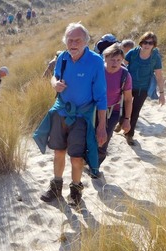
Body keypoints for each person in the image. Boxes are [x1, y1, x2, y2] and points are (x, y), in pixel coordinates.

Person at [33, 22, 107, 207]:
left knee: (76, 157)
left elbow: (101, 96)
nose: (73, 44)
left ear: (85, 42)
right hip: (61, 111)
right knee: (58, 151)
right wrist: (54, 84)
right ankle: (56, 188)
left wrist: (102, 126)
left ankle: (75, 191)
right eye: (69, 40)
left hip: (81, 116)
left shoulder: (96, 61)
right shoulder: (63, 57)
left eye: (77, 40)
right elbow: (54, 76)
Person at [120, 32, 165, 145]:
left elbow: (159, 75)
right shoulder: (133, 53)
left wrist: (162, 93)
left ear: (154, 45)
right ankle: (121, 123)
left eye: (150, 43)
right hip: (128, 87)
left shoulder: (155, 57)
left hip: (143, 88)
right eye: (145, 42)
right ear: (141, 42)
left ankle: (129, 135)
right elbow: (122, 67)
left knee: (135, 111)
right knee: (125, 109)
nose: (147, 45)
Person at [97, 43, 133, 167]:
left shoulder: (125, 75)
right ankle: (87, 160)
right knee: (90, 136)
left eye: (119, 60)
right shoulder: (97, 71)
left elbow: (128, 99)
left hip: (113, 111)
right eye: (112, 59)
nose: (115, 63)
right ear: (105, 57)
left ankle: (95, 166)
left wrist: (127, 119)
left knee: (104, 139)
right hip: (93, 109)